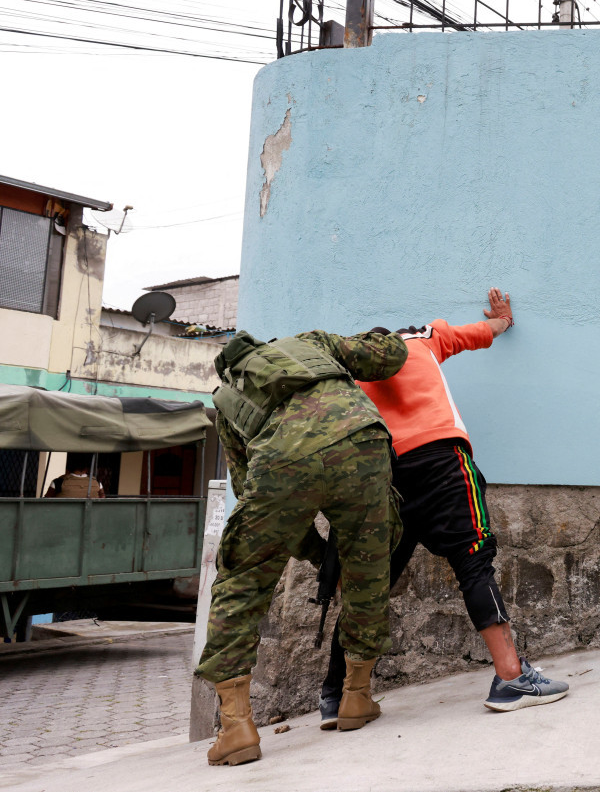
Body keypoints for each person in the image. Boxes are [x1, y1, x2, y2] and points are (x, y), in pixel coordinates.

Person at [316, 288, 568, 724]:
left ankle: (337, 696)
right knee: (474, 563)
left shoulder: (347, 373)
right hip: (442, 462)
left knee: (370, 587)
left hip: (384, 478)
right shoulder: (419, 339)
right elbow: (476, 333)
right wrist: (503, 322)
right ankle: (511, 678)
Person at [197, 328, 408, 765]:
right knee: (367, 569)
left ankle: (236, 726)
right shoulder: (312, 342)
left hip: (281, 460)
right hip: (361, 439)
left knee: (242, 580)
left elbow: (257, 499)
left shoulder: (226, 405)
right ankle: (356, 696)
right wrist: (390, 336)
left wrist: (315, 551)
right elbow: (387, 359)